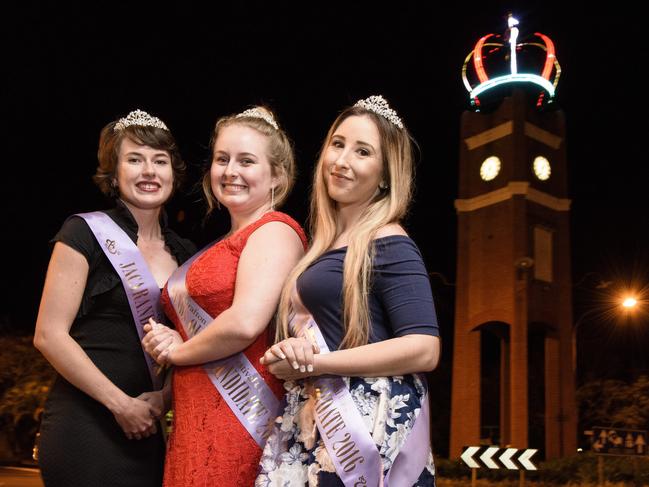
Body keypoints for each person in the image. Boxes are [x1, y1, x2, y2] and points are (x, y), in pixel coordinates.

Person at [257, 96, 441, 486]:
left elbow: (425, 348)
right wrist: (289, 352)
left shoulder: (388, 240)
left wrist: (317, 364)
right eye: (337, 144)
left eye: (362, 152)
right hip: (319, 421)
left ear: (386, 174)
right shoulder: (324, 246)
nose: (342, 160)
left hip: (368, 429)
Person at [141, 106, 307, 486]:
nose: (230, 171)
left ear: (277, 175)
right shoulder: (222, 243)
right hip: (195, 414)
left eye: (246, 161)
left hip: (244, 418)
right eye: (222, 159)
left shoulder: (274, 231)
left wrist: (175, 351)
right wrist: (177, 340)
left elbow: (244, 323)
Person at [34, 109, 196, 486]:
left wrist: (165, 398)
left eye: (160, 161)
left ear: (174, 171)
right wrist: (120, 404)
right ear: (114, 172)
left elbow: (191, 345)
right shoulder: (83, 233)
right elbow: (48, 335)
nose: (149, 171)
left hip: (150, 427)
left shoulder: (186, 253)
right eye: (134, 160)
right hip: (87, 423)